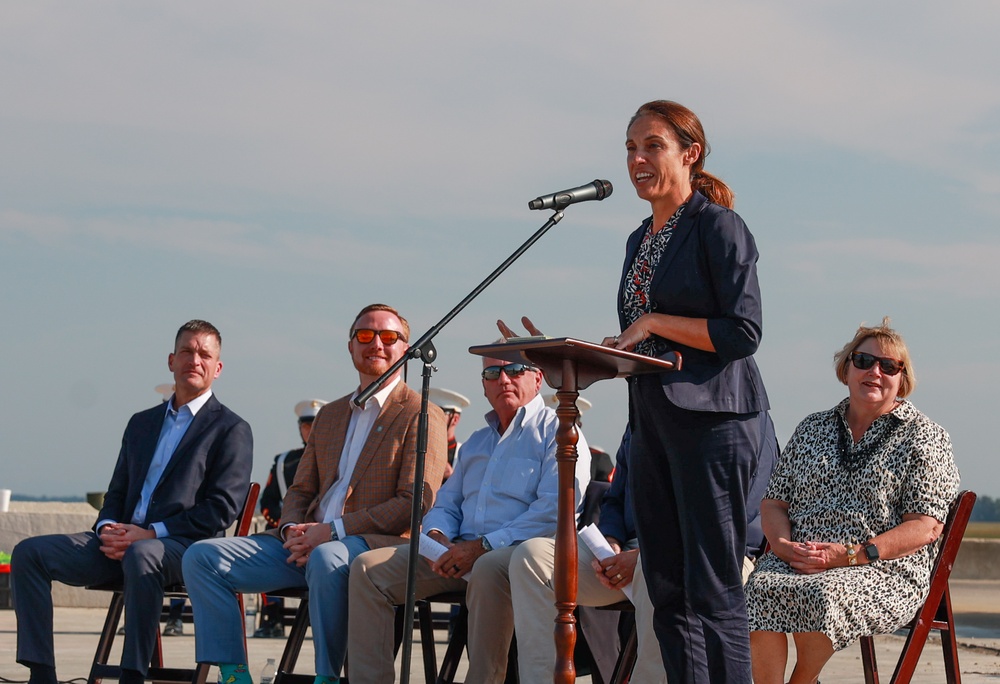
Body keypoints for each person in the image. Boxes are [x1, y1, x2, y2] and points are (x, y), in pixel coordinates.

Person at [182, 303, 448, 684]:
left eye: (389, 337)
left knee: (327, 557)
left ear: (406, 349)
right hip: (305, 541)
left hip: (370, 544)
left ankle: (327, 676)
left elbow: (414, 503)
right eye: (365, 335)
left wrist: (334, 531)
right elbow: (301, 488)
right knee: (202, 557)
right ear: (351, 346)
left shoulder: (422, 413)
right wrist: (292, 529)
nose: (376, 343)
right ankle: (233, 674)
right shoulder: (331, 414)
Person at [600, 100, 771, 682]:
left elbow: (742, 331)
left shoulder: (717, 225)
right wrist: (603, 354)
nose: (637, 159)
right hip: (651, 426)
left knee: (714, 589)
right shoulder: (636, 240)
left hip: (713, 424)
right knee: (666, 591)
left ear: (689, 153)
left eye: (652, 145)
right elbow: (644, 340)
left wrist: (651, 323)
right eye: (630, 147)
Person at [11, 320, 253, 684]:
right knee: (29, 553)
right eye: (187, 351)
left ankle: (132, 675)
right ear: (171, 360)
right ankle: (41, 674)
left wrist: (151, 533)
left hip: (182, 548)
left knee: (143, 555)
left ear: (217, 368)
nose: (195, 360)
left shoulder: (231, 429)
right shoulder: (141, 423)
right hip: (120, 542)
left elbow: (222, 508)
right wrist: (107, 527)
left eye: (205, 354)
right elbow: (117, 493)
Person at [347, 353, 591, 684]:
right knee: (366, 569)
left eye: (515, 370)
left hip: (514, 555)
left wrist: (483, 546)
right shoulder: (476, 441)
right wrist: (436, 535)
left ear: (538, 378)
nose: (504, 379)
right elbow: (447, 503)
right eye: (492, 372)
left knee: (490, 569)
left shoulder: (559, 432)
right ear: (483, 386)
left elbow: (554, 511)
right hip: (456, 554)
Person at [745, 318, 960, 684]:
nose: (875, 371)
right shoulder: (813, 428)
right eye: (863, 361)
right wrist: (783, 548)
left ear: (902, 380)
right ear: (846, 369)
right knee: (758, 589)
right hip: (801, 558)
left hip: (882, 568)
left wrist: (850, 555)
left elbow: (926, 527)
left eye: (889, 366)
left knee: (825, 594)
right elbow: (774, 503)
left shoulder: (925, 437)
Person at [511, 412, 779, 683]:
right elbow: (615, 497)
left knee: (659, 569)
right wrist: (611, 541)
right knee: (531, 558)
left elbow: (734, 519)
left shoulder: (746, 416)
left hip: (713, 558)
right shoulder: (645, 410)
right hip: (628, 554)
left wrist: (646, 554)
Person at [254, 398, 328, 638]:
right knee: (261, 555)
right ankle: (272, 617)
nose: (310, 430)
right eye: (306, 426)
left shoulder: (334, 459)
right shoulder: (284, 461)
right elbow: (268, 502)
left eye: (315, 425)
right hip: (287, 530)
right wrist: (287, 527)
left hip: (321, 533)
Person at [428, 386, 470, 479]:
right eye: (429, 412)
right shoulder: (414, 448)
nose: (432, 418)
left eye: (439, 413)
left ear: (455, 419)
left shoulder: (464, 455)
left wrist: (451, 477)